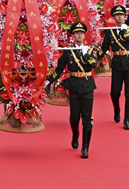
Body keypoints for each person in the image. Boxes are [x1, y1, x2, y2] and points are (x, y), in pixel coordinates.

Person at [53, 22, 99, 159]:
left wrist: (85, 54)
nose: (79, 35)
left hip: (87, 86)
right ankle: (75, 134)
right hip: (73, 86)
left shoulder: (90, 50)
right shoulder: (68, 51)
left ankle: (85, 148)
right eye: (76, 33)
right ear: (73, 36)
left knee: (87, 119)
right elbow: (59, 68)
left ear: (84, 35)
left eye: (81, 33)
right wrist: (49, 81)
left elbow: (93, 64)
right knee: (74, 118)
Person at [101, 5, 129, 130]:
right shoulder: (109, 31)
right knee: (114, 93)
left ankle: (127, 119)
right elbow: (104, 48)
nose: (120, 17)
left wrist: (123, 31)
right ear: (114, 17)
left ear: (125, 17)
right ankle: (117, 109)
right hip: (116, 63)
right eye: (117, 15)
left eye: (122, 15)